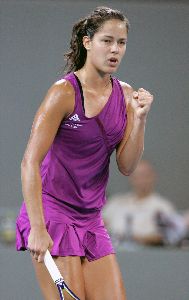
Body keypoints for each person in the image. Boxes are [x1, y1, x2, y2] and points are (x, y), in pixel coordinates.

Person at [16, 6, 153, 300]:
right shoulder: (63, 93)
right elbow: (30, 162)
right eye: (107, 40)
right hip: (51, 213)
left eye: (121, 42)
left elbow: (127, 166)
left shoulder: (126, 95)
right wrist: (37, 228)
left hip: (90, 219)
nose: (115, 49)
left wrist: (140, 119)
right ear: (87, 42)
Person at [103, 160, 177, 246]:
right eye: (136, 176)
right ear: (131, 178)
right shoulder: (116, 202)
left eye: (145, 176)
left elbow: (166, 236)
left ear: (153, 176)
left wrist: (132, 238)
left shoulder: (163, 207)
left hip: (147, 255)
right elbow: (99, 225)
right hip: (112, 253)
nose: (141, 180)